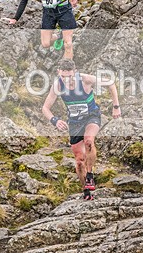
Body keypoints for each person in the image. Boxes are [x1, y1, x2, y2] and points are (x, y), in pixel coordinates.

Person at [42, 58, 121, 200]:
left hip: (91, 116)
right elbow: (45, 108)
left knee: (89, 140)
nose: (67, 80)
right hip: (74, 123)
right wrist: (55, 121)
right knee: (79, 161)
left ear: (76, 73)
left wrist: (116, 106)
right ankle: (86, 191)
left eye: (70, 76)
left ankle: (90, 175)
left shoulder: (86, 80)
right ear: (59, 73)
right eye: (63, 76)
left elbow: (110, 84)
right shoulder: (57, 86)